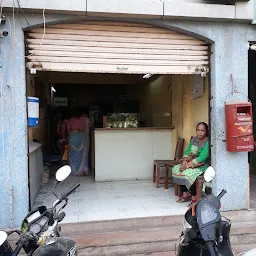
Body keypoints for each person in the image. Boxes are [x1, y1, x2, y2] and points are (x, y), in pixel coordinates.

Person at [172, 122, 209, 205]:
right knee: (177, 169)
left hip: (203, 165)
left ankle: (194, 197)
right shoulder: (194, 139)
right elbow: (187, 152)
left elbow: (203, 157)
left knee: (188, 173)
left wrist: (188, 165)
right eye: (198, 130)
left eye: (202, 130)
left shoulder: (208, 141)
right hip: (191, 162)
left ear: (206, 131)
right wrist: (184, 161)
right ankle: (185, 193)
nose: (200, 132)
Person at [66, 110, 92, 176]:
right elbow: (91, 126)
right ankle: (83, 170)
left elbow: (68, 131)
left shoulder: (70, 120)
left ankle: (74, 170)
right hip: (82, 138)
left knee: (73, 155)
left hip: (73, 138)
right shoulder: (85, 120)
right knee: (82, 155)